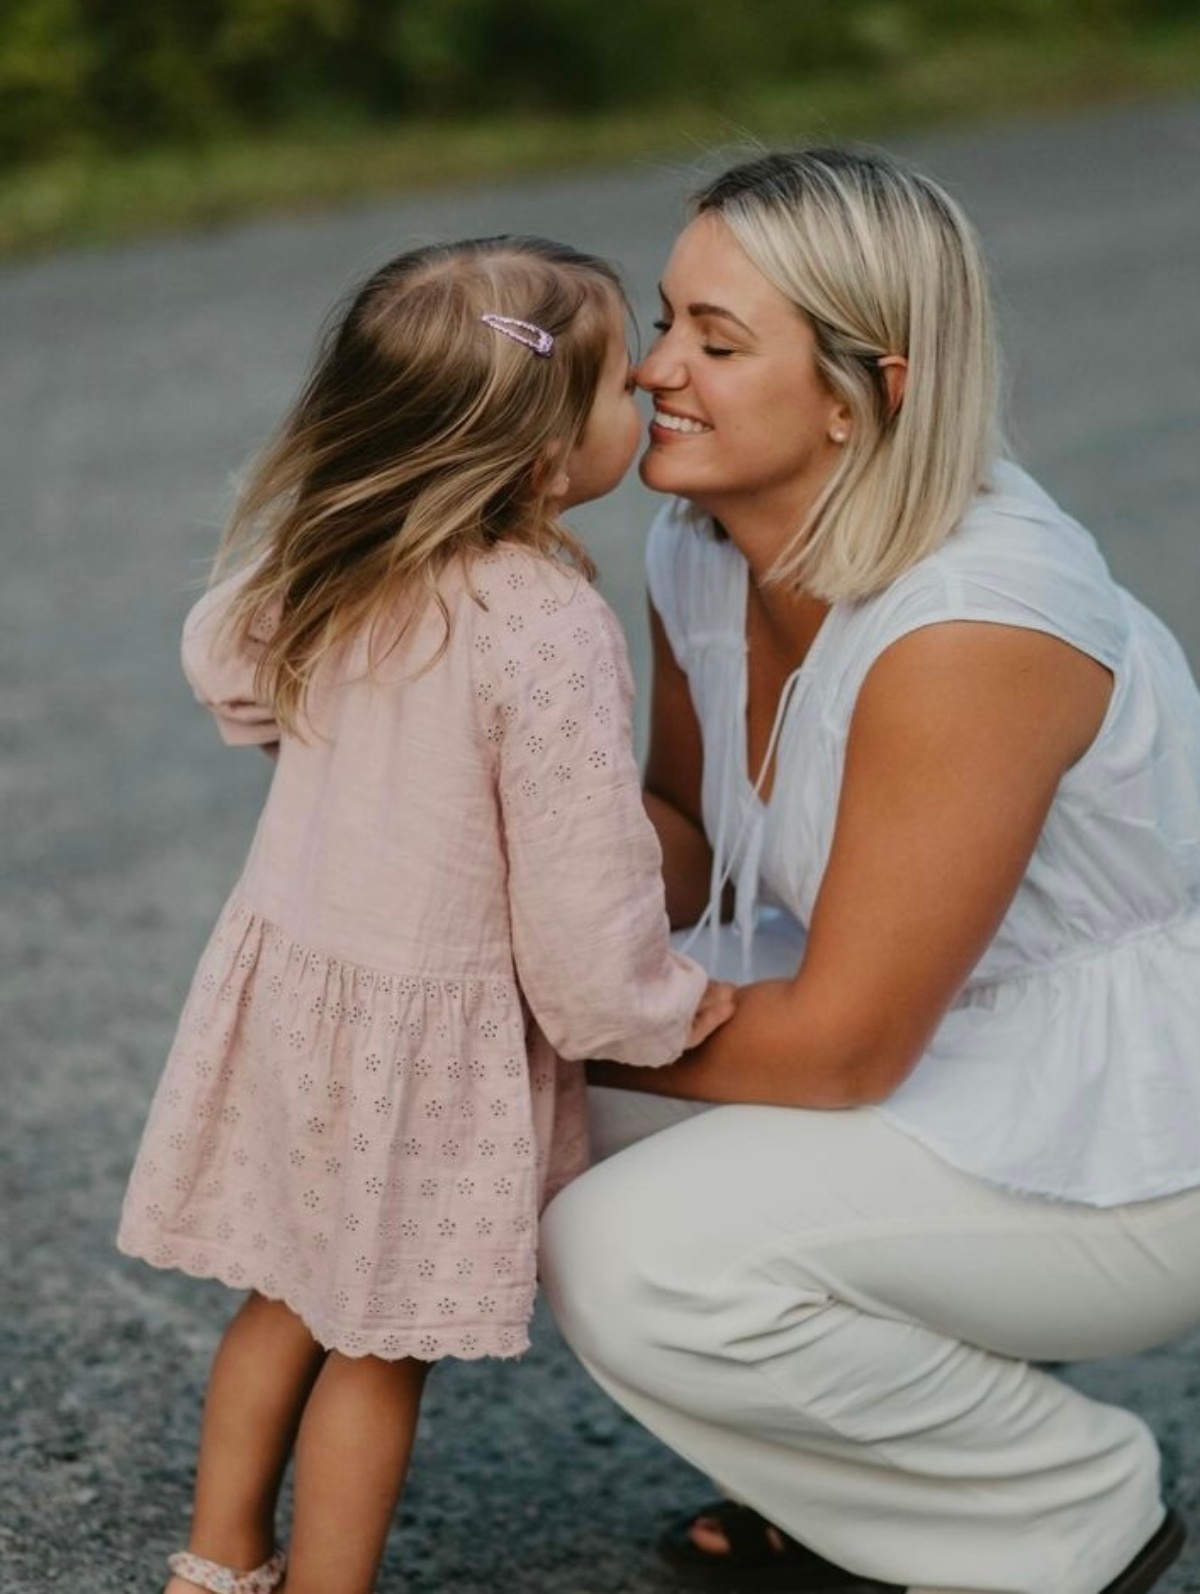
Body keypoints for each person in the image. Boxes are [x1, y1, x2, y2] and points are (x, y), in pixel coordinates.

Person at [540, 147, 1200, 1594]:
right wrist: (469, 804)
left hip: (1139, 1118)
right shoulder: (698, 544)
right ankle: (864, 1487)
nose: (654, 370)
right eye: (668, 320)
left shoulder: (977, 622)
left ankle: (1064, 1515)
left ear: (866, 392)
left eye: (717, 343)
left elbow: (840, 1049)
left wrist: (552, 1026)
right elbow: (687, 834)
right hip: (936, 1023)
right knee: (515, 1117)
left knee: (634, 1255)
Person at [117, 234, 733, 1594]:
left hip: (297, 990)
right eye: (620, 380)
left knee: (281, 1289)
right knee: (379, 1342)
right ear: (535, 452)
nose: (647, 382)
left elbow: (229, 662)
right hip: (422, 1037)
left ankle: (215, 1560)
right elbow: (582, 899)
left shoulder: (347, 557)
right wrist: (661, 1004)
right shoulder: (544, 626)